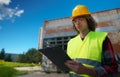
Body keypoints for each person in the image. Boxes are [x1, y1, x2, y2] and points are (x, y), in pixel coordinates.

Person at [65, 5, 118, 77]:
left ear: (88, 20)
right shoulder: (70, 42)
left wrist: (88, 71)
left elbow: (113, 68)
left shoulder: (102, 38)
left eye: (81, 19)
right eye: (75, 21)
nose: (77, 23)